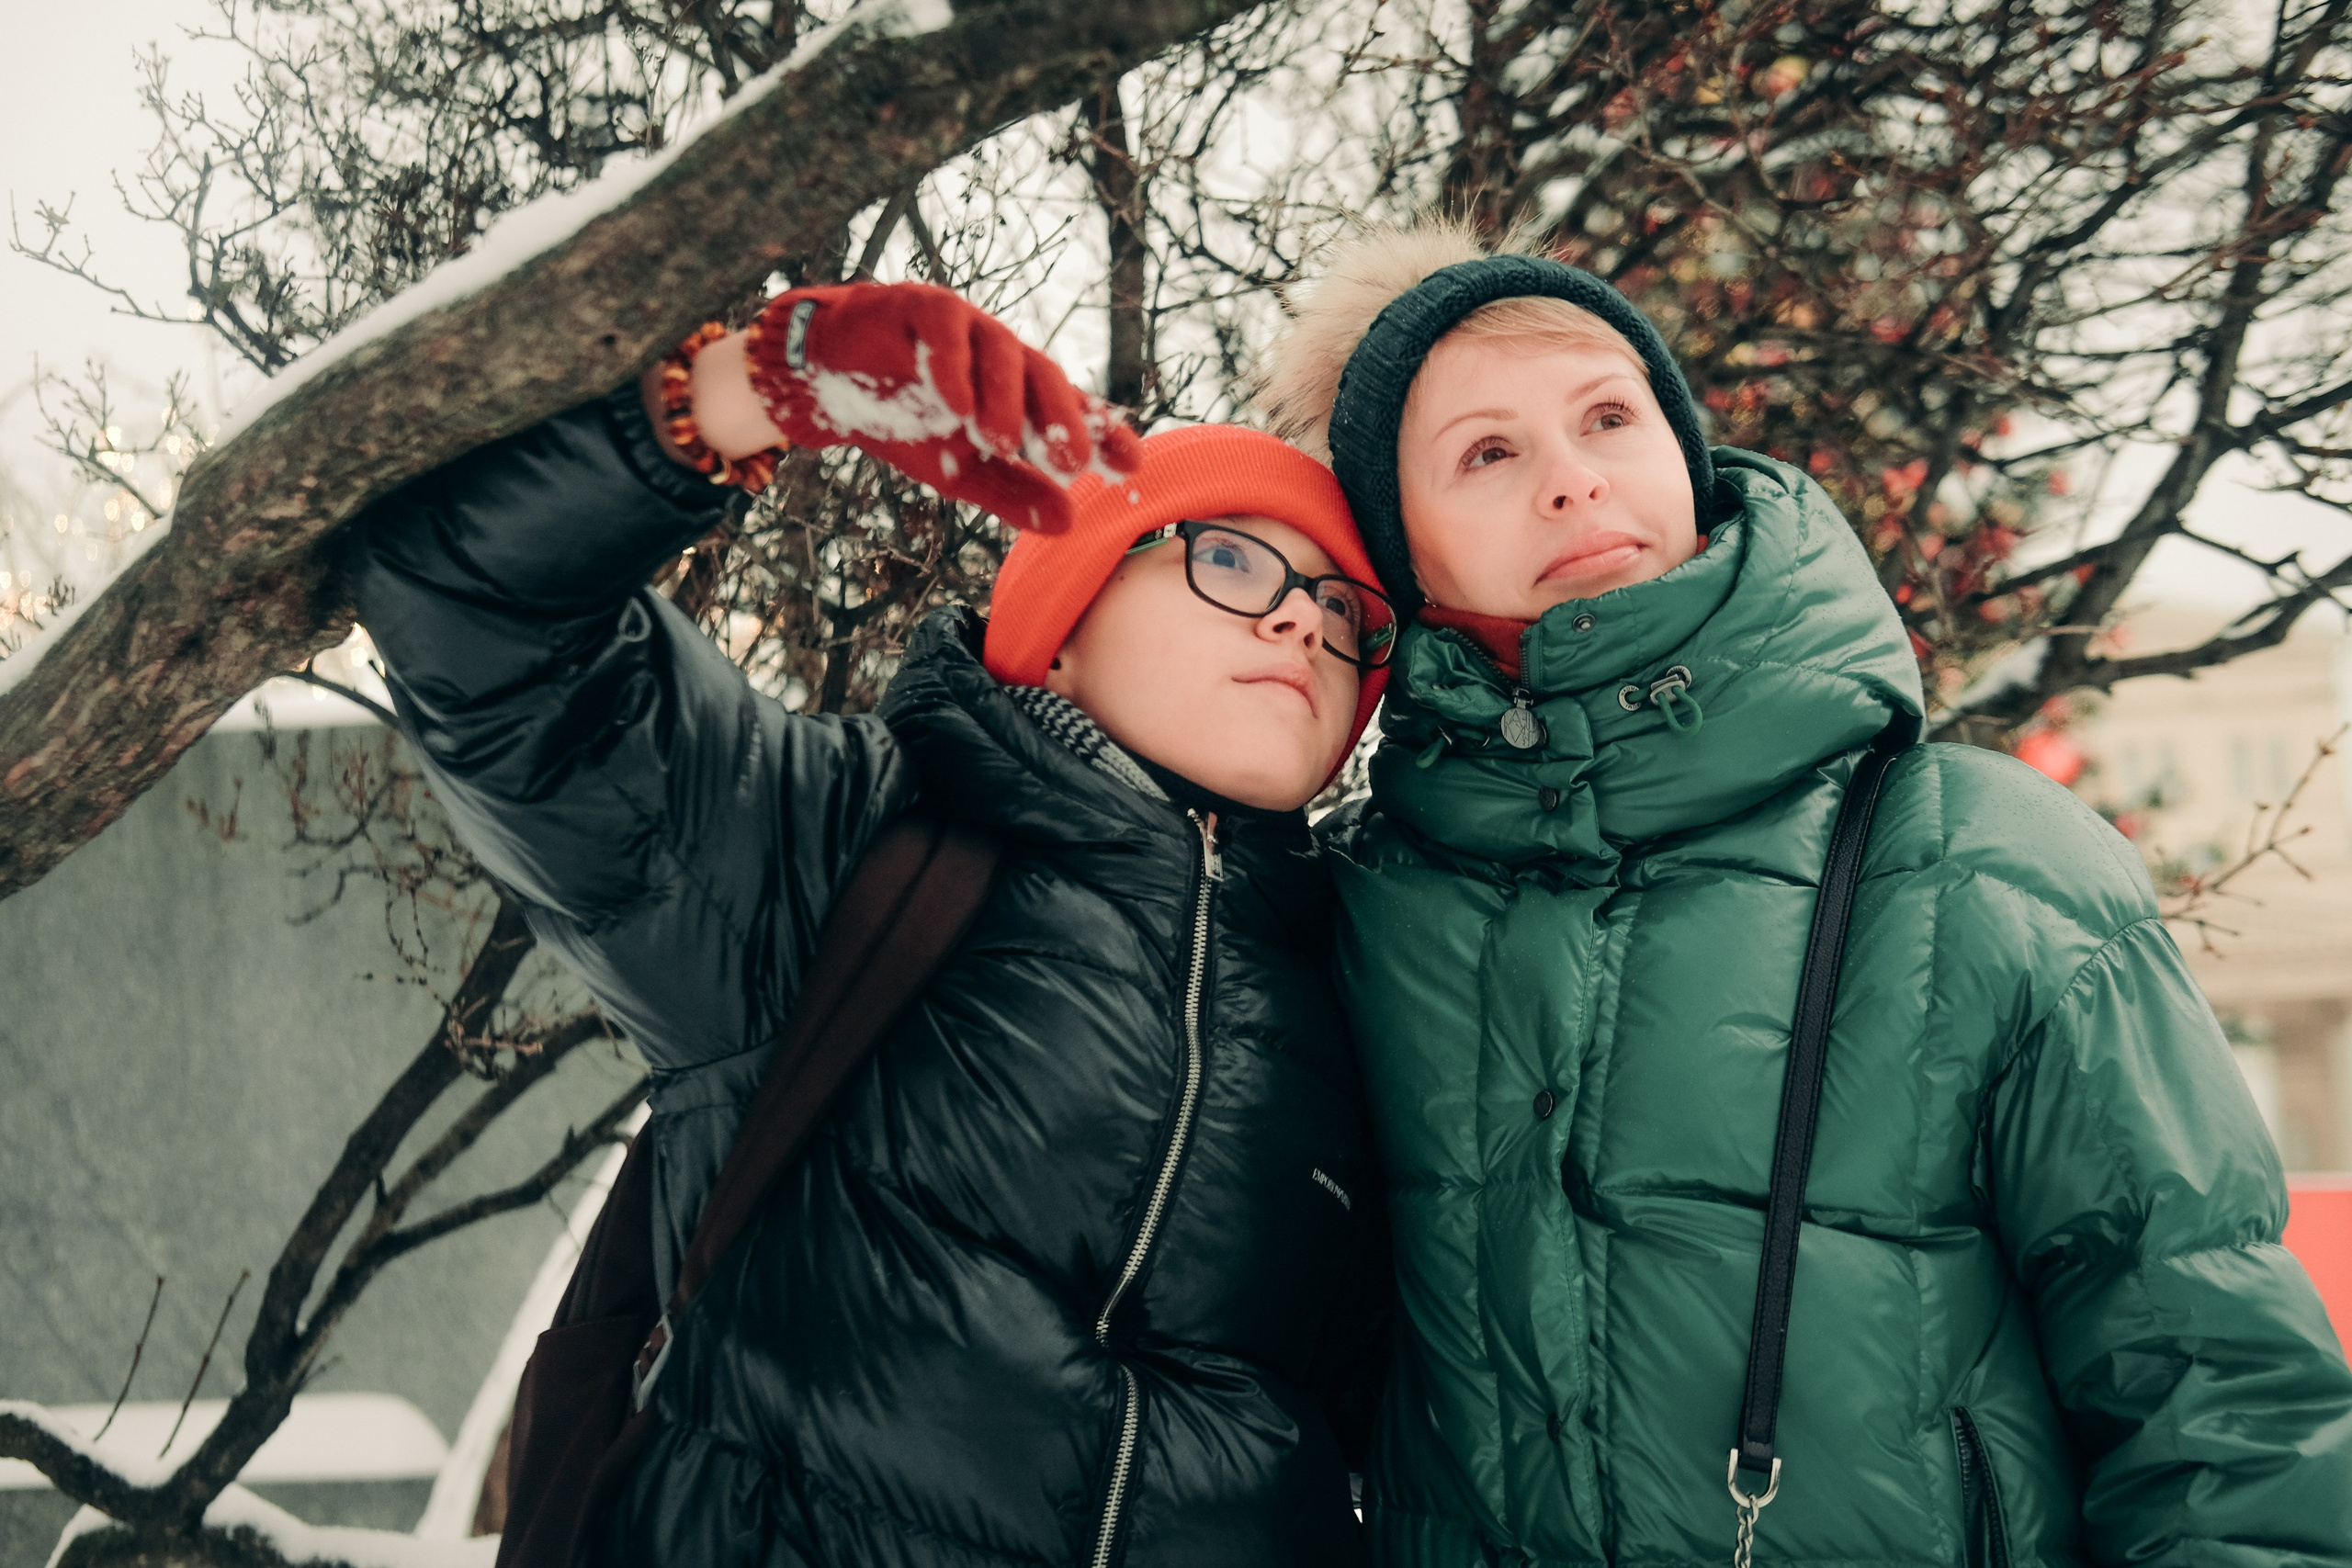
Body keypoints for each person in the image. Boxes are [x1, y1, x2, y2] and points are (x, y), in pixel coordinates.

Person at [1253, 220, 2352, 1567]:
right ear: (1398, 549)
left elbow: (2220, 1390)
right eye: (1489, 452)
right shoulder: (1351, 904)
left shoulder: (1978, 859)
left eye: (1610, 416)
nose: (1573, 481)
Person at [346, 279, 1399, 1566]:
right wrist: (748, 394)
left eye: (1350, 614)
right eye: (1230, 558)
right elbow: (473, 617)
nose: (1307, 619)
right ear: (1060, 623)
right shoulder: (843, 851)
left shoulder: (1373, 987)